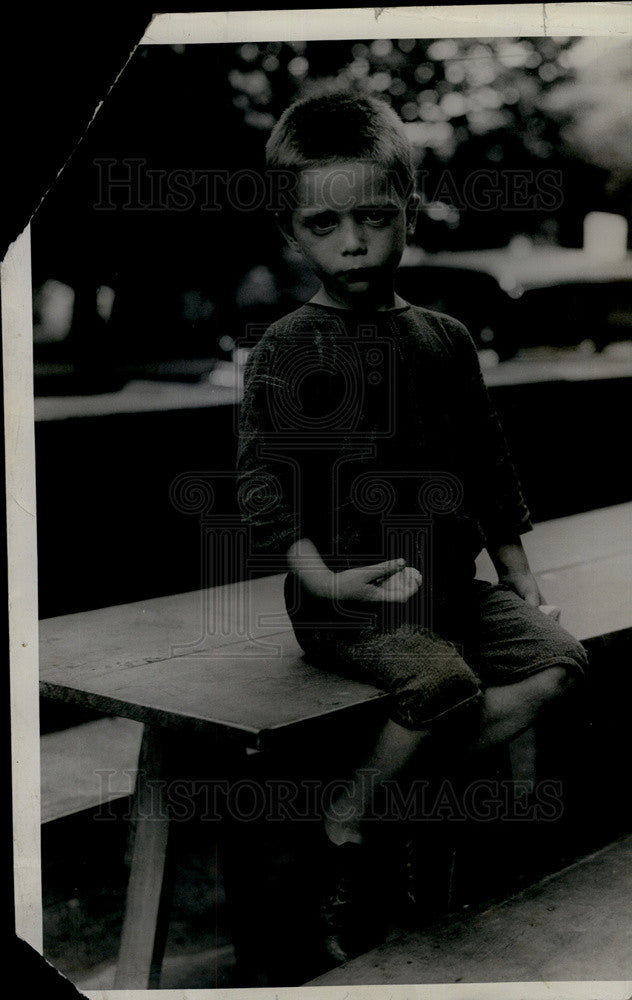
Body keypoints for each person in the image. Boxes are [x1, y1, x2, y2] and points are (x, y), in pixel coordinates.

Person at [236, 91, 587, 959]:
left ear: (410, 210)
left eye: (375, 217)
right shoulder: (288, 346)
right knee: (440, 683)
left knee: (559, 664)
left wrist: (520, 577)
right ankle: (350, 826)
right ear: (291, 232)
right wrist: (320, 578)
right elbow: (264, 479)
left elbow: (488, 467)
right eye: (323, 224)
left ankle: (381, 795)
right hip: (342, 599)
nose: (352, 240)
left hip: (451, 587)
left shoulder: (446, 338)